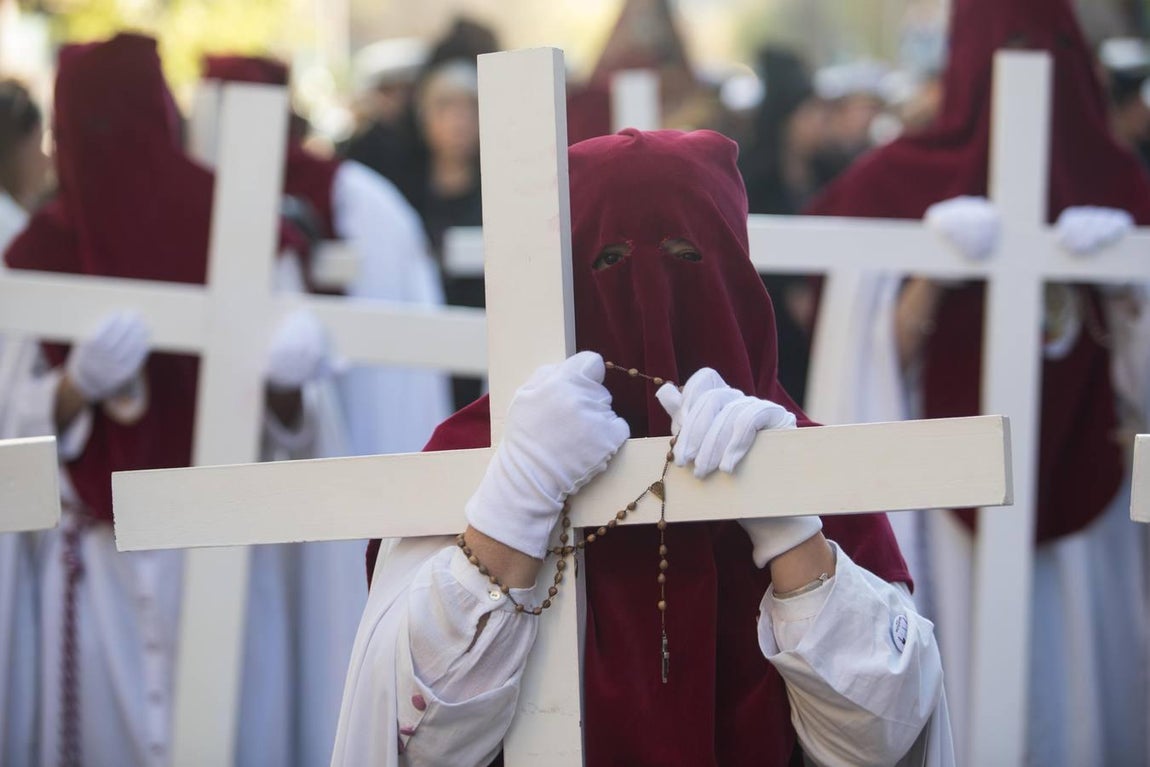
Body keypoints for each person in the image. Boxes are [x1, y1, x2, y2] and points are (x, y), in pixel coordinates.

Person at [332, 129, 952, 766]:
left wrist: (786, 520)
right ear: (561, 282)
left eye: (688, 256)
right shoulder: (472, 457)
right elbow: (419, 741)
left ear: (736, 278)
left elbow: (883, 737)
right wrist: (516, 500)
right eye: (608, 261)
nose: (651, 299)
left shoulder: (803, 456)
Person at [805, 0, 1150, 764]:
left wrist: (1129, 285)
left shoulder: (1119, 178)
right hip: (947, 506)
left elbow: (1139, 382)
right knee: (968, 675)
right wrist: (931, 272)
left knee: (1084, 690)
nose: (1031, 68)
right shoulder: (898, 180)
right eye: (1012, 44)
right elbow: (865, 367)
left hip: (1085, 498)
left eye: (1051, 45)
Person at [4, 34, 338, 767]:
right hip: (97, 563)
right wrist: (71, 387)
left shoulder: (236, 225)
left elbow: (301, 415)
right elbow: (11, 426)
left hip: (221, 550)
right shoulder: (39, 256)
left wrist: (285, 380)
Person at [200, 53, 453, 766]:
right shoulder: (199, 207)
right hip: (246, 480)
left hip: (356, 457)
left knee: (340, 641)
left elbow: (404, 359)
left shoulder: (365, 205)